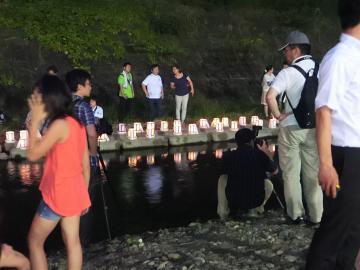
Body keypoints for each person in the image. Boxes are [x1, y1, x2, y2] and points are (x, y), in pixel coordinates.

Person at [306, 0, 360, 269]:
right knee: (335, 231)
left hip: (356, 154)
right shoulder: (340, 58)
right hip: (345, 156)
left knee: (353, 231)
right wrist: (326, 165)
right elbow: (323, 111)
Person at [27, 75, 90, 270]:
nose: (34, 100)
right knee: (72, 242)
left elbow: (32, 155)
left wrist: (34, 122)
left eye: (37, 97)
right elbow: (85, 165)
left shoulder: (59, 125)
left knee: (34, 242)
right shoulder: (75, 123)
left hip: (58, 192)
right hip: (75, 190)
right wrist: (84, 194)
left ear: (48, 98)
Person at [266, 31, 323, 225]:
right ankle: (316, 216)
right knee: (313, 172)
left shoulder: (288, 72)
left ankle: (295, 214)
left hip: (291, 127)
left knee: (290, 173)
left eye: (287, 50)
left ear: (296, 50)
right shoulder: (320, 69)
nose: (285, 54)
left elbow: (270, 96)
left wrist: (277, 115)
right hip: (315, 128)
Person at [65, 69, 99, 245]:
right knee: (86, 202)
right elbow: (91, 133)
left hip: (68, 161)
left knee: (71, 202)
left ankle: (70, 240)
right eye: (88, 83)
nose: (90, 86)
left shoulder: (63, 104)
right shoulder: (83, 105)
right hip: (85, 160)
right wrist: (93, 153)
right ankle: (84, 243)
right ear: (80, 86)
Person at [217, 128, 277, 220]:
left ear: (237, 142)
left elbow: (221, 172)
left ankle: (223, 213)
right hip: (256, 200)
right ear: (252, 141)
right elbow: (275, 171)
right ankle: (257, 209)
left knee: (222, 178)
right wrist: (266, 152)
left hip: (234, 200)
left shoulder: (229, 156)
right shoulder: (260, 155)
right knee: (268, 183)